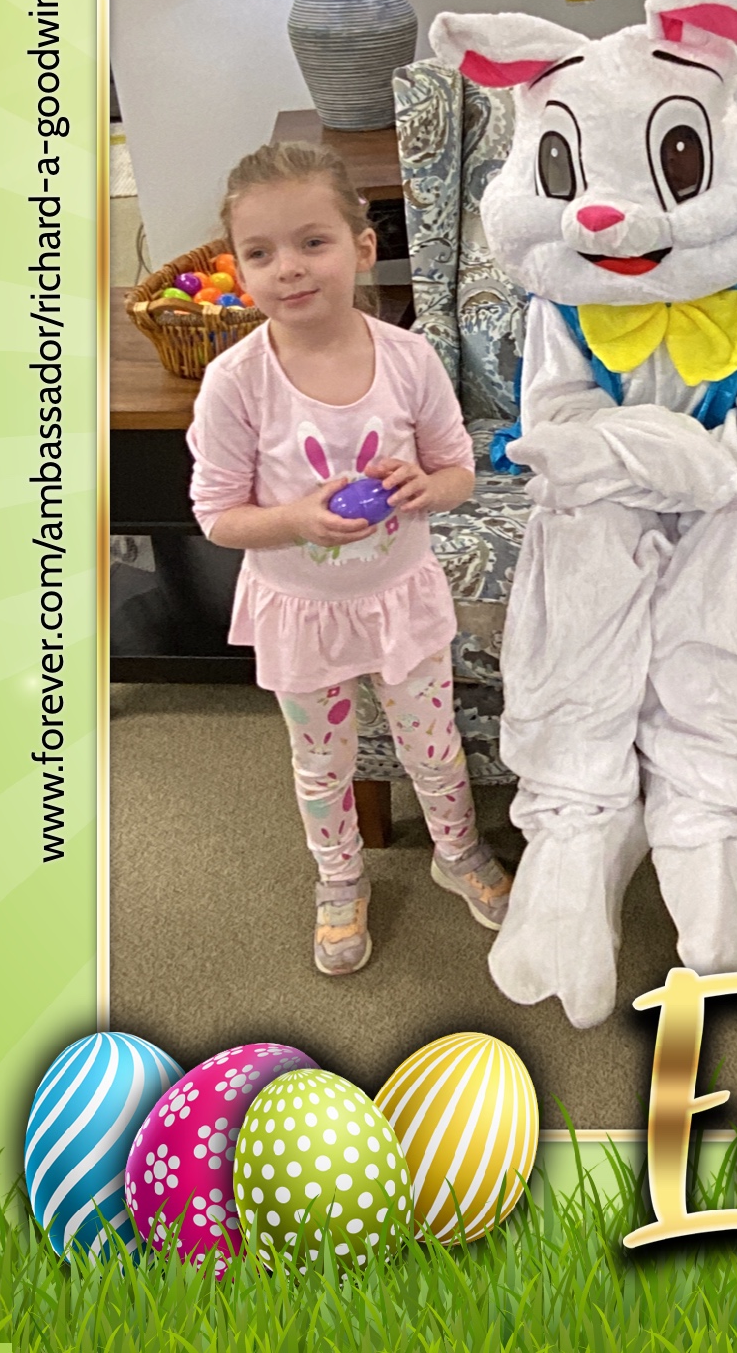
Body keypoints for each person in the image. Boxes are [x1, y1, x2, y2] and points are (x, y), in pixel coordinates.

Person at [186, 142, 511, 976]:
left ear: (362, 248)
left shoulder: (408, 358)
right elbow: (217, 516)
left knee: (433, 748)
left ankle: (458, 852)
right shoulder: (235, 383)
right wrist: (295, 519)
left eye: (312, 242)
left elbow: (456, 471)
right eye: (261, 253)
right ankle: (338, 878)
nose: (289, 268)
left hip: (400, 599)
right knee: (321, 765)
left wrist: (424, 487)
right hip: (301, 616)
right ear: (239, 270)